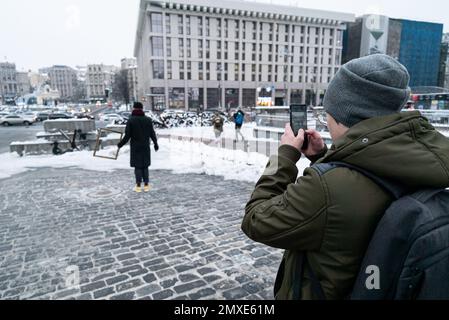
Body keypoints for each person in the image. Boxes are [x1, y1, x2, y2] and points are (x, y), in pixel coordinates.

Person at [242, 54, 449, 300]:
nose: (326, 121)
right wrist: (322, 157)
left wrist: (285, 156)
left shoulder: (325, 188)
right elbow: (361, 189)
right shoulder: (425, 160)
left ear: (345, 114)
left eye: (328, 113)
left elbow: (256, 219)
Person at [117, 102, 159, 193]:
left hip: (136, 147)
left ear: (134, 109)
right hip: (145, 147)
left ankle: (138, 186)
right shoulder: (148, 120)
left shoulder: (131, 120)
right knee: (145, 166)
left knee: (138, 167)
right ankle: (147, 185)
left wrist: (120, 144)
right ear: (142, 109)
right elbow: (152, 133)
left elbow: (127, 136)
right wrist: (155, 143)